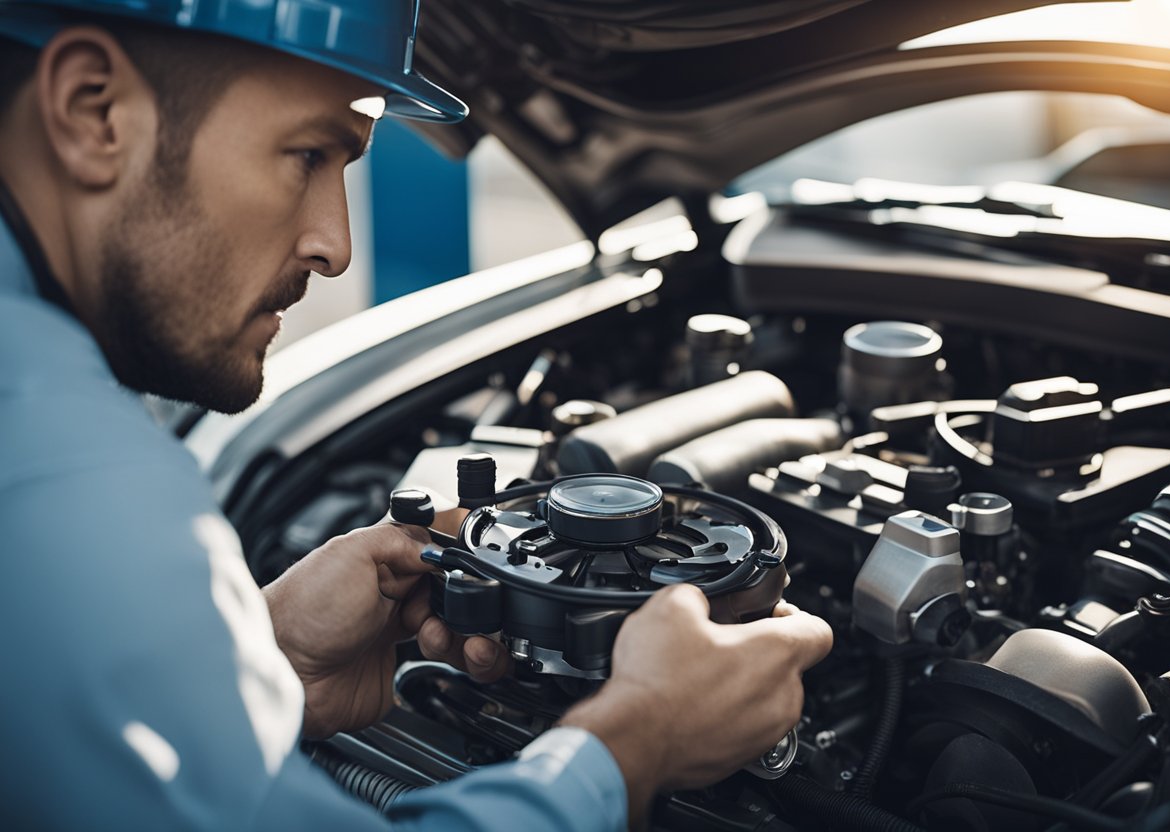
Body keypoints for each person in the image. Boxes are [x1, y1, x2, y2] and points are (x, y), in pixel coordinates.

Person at [0, 1, 834, 829]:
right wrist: (635, 745)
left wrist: (268, 664)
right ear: (92, 111)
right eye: (307, 153)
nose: (336, 246)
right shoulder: (61, 474)